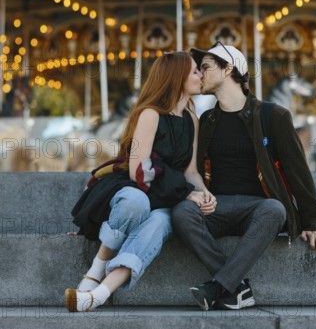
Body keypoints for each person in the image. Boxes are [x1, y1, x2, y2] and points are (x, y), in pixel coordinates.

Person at [172, 42, 316, 311]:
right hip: (216, 208)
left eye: (206, 67)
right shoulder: (206, 119)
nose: (201, 73)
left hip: (256, 209)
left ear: (228, 69)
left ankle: (217, 287)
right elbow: (193, 170)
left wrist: (313, 221)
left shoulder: (273, 115)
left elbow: (297, 170)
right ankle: (234, 287)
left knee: (275, 208)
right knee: (182, 213)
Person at [65, 52, 216, 313]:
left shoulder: (192, 120)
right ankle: (97, 267)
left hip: (166, 199)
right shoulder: (150, 114)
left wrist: (204, 193)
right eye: (194, 71)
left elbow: (190, 171)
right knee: (137, 202)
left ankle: (98, 295)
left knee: (159, 222)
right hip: (137, 189)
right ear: (177, 77)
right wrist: (185, 194)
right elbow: (140, 170)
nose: (201, 75)